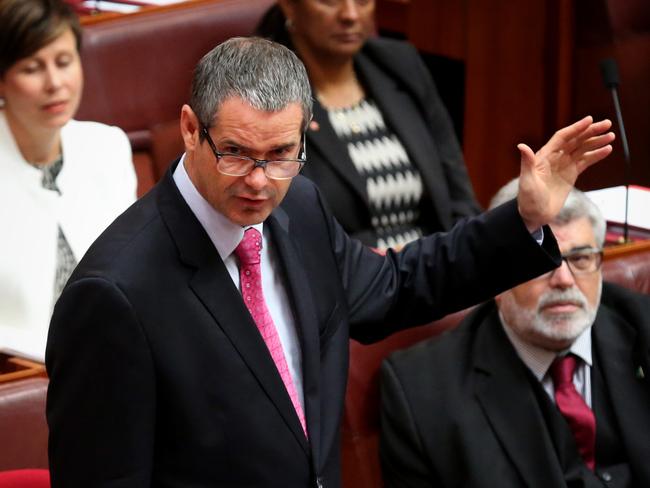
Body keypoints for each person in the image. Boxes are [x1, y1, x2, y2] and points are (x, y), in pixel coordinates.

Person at [46, 37, 613, 487]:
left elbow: (397, 286)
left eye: (280, 155)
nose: (259, 183)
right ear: (192, 129)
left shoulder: (301, 208)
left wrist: (524, 219)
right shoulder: (114, 295)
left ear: (305, 137)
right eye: (237, 153)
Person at [380, 180, 650, 488]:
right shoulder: (423, 391)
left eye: (580, 258)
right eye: (540, 263)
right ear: (495, 276)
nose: (563, 279)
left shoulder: (642, 325)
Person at [256, 1, 481, 250]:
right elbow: (287, 233)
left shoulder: (401, 64)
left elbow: (460, 200)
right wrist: (390, 268)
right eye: (330, 1)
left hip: (437, 268)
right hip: (350, 278)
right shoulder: (266, 92)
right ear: (289, 6)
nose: (350, 15)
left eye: (362, 0)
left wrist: (465, 263)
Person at [0, 0, 137, 362]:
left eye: (64, 62)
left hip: (119, 356)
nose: (55, 83)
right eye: (32, 68)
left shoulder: (107, 146)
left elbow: (136, 271)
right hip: (19, 375)